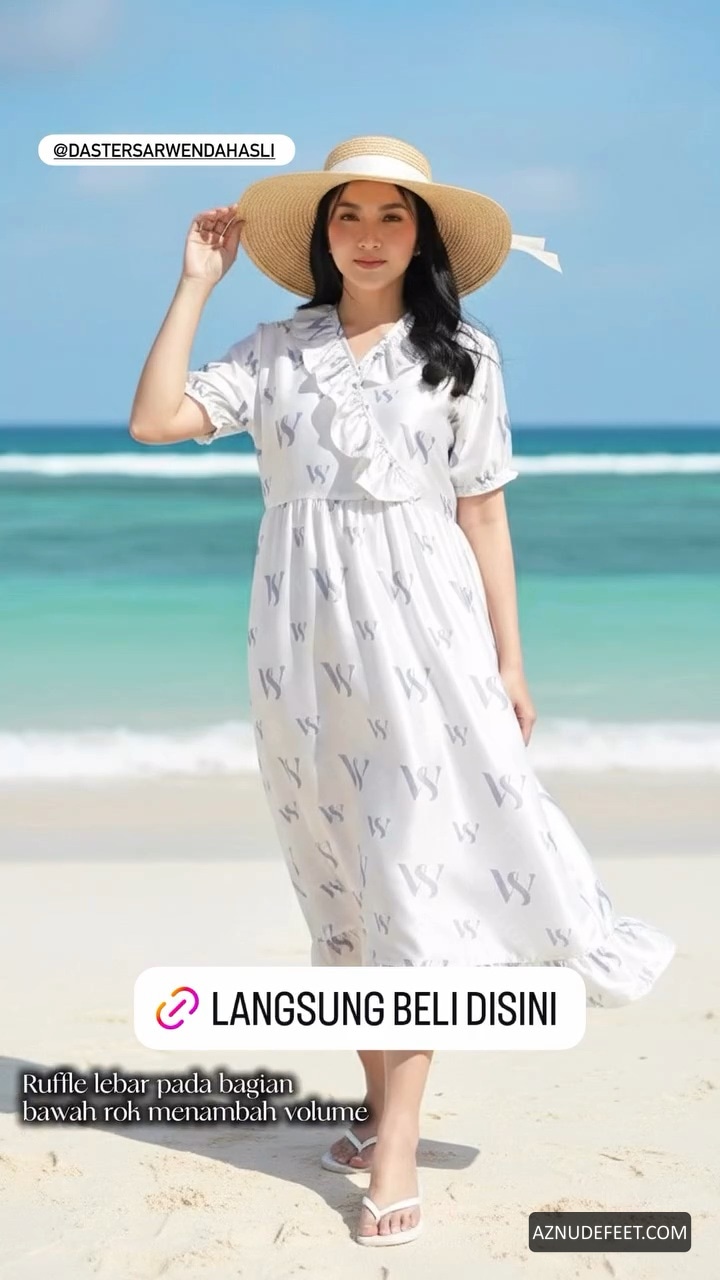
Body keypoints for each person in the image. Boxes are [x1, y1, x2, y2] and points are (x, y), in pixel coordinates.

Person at [129, 135, 676, 1247]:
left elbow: (484, 513)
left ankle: (395, 1144)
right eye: (349, 215)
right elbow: (156, 420)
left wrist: (510, 661)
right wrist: (194, 286)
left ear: (422, 237)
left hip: (430, 634)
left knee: (412, 879)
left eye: (392, 216)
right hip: (299, 642)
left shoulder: (464, 355)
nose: (369, 235)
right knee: (343, 882)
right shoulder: (276, 350)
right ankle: (380, 1107)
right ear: (322, 234)